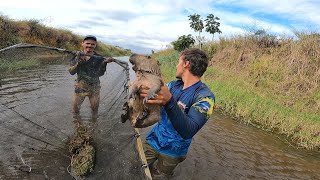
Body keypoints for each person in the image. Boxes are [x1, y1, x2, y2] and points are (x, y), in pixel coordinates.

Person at [140, 48, 215, 179]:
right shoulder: (173, 85)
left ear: (186, 64)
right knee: (137, 165)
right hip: (154, 139)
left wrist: (169, 101)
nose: (176, 65)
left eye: (178, 62)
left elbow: (189, 131)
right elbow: (154, 101)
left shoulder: (205, 97)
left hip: (173, 151)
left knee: (159, 176)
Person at [69, 35, 114, 121]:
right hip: (80, 87)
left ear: (95, 45)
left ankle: (93, 127)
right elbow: (71, 72)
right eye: (87, 43)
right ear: (82, 43)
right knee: (75, 111)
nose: (89, 46)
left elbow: (100, 74)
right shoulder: (76, 55)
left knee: (94, 111)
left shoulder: (99, 58)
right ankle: (77, 126)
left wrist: (104, 63)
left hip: (94, 88)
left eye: (92, 44)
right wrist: (79, 61)